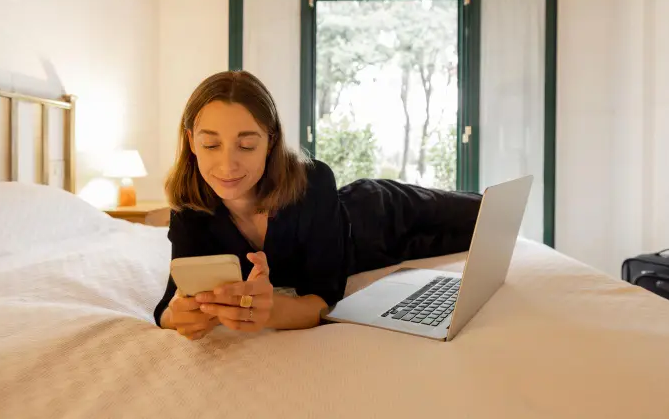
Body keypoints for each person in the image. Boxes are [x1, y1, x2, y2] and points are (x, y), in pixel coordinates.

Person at [154, 70, 482, 339]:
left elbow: (321, 300)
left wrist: (271, 310)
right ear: (191, 143)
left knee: (483, 211)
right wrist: (178, 316)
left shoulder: (312, 181)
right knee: (472, 241)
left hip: (376, 215)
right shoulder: (189, 210)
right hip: (373, 257)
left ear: (270, 143)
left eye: (247, 145)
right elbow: (169, 306)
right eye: (211, 144)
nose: (227, 165)